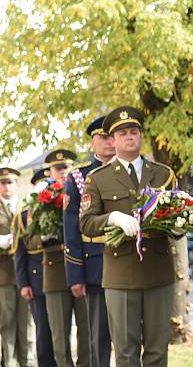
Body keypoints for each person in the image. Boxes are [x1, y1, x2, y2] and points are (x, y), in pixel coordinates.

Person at [79, 106, 177, 367]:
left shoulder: (163, 174)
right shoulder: (98, 179)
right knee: (125, 354)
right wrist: (113, 218)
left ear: (141, 136)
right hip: (120, 275)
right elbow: (86, 224)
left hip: (158, 271)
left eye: (134, 131)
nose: (129, 136)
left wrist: (181, 226)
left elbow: (179, 215)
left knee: (157, 352)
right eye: (122, 133)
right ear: (112, 140)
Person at [63, 116, 115, 367]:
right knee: (99, 340)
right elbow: (71, 230)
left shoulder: (132, 172)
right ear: (93, 142)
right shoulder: (78, 178)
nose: (110, 142)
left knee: (130, 339)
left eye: (112, 136)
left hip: (131, 262)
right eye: (103, 137)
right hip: (96, 268)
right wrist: (75, 274)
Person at [41, 149, 90, 367]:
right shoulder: (40, 200)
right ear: (50, 171)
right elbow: (32, 239)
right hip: (55, 271)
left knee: (87, 330)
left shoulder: (84, 189)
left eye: (67, 167)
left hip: (81, 267)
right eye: (58, 168)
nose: (63, 171)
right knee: (60, 336)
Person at [13, 169, 57, 367]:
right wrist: (23, 283)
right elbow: (19, 252)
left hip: (62, 276)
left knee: (64, 331)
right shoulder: (23, 217)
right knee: (43, 332)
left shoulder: (61, 210)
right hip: (37, 279)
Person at [0, 167, 34, 367]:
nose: (7, 186)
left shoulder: (27, 206)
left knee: (27, 321)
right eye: (3, 183)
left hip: (26, 273)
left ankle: (28, 361)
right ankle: (10, 362)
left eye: (10, 182)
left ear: (17, 184)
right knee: (7, 321)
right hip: (3, 273)